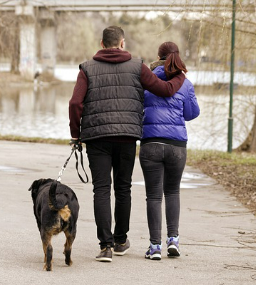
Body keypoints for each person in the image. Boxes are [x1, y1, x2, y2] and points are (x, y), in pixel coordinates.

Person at [68, 26, 186, 262]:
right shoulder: (137, 65)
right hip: (127, 136)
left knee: (101, 189)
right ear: (122, 43)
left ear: (102, 43)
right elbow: (164, 89)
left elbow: (75, 104)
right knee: (123, 189)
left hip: (97, 138)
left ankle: (106, 247)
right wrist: (180, 75)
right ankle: (121, 241)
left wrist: (75, 135)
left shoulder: (87, 68)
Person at [139, 41, 200, 260]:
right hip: (176, 146)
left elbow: (137, 108)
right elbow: (192, 113)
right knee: (172, 192)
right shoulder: (186, 83)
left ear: (158, 56)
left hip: (151, 144)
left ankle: (155, 247)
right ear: (177, 56)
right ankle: (173, 240)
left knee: (153, 196)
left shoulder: (146, 79)